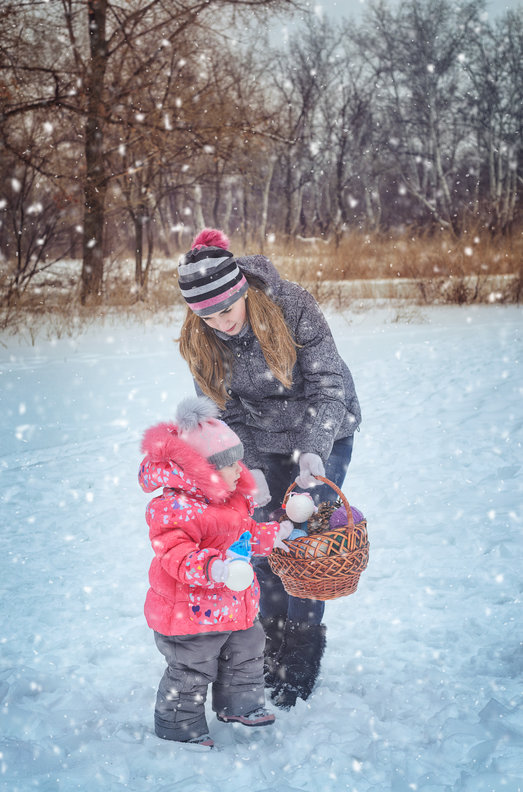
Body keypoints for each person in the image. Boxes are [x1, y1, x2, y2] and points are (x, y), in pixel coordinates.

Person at [177, 228, 362, 709]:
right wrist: (252, 467)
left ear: (242, 293)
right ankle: (270, 644)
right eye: (206, 315)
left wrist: (312, 451)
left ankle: (300, 651)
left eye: (226, 310)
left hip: (322, 431)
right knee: (264, 544)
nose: (220, 323)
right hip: (259, 440)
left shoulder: (292, 304)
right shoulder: (201, 340)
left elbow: (328, 383)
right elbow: (226, 411)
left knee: (306, 546)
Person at [139, 395, 293, 747]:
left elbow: (245, 536)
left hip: (233, 605)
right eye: (230, 464)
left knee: (247, 650)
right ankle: (179, 725)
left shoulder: (233, 500)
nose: (240, 470)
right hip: (190, 612)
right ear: (204, 470)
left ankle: (241, 704)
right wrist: (215, 569)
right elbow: (174, 554)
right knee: (192, 669)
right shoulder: (173, 508)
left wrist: (275, 534)